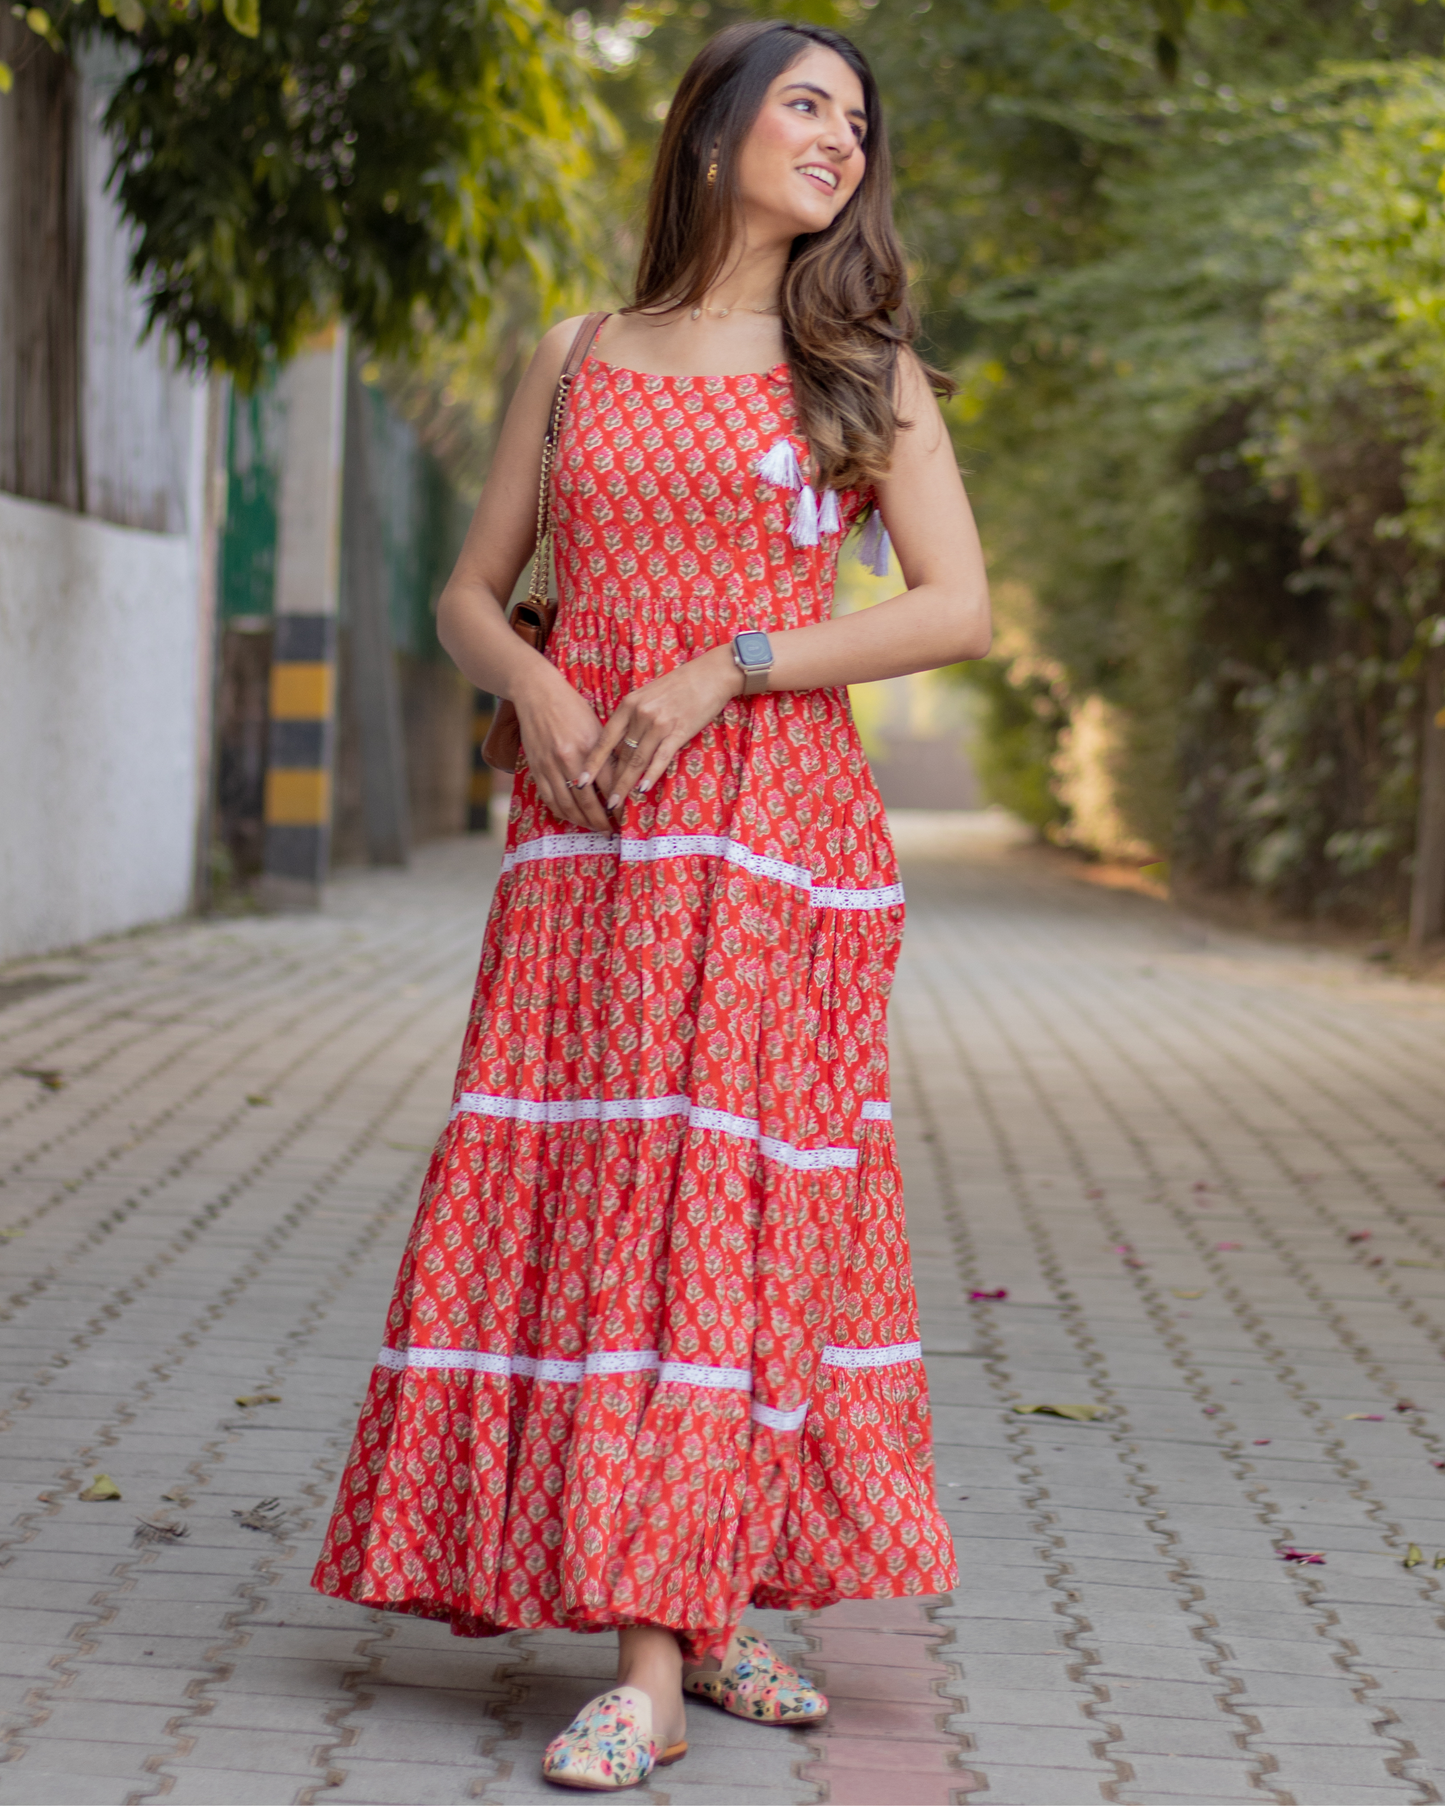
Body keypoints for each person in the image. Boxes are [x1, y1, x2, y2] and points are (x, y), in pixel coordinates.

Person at [312, 17, 990, 1792]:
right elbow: (476, 591)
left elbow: (954, 608)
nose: (841, 138)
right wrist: (533, 687)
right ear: (711, 131)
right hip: (586, 849)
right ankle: (700, 1602)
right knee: (602, 1202)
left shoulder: (859, 361)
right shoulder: (582, 351)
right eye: (807, 105)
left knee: (716, 1213)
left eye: (861, 119)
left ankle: (652, 1667)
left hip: (773, 840)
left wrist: (732, 666)